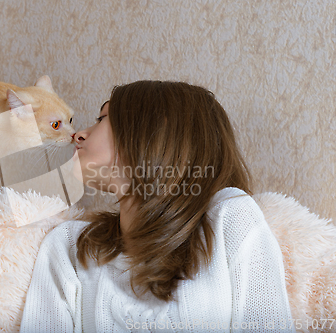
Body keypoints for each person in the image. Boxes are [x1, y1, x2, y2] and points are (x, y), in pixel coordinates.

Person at [20, 81, 294, 332]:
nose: (78, 135)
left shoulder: (230, 218)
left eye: (103, 118)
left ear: (156, 132)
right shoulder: (68, 247)